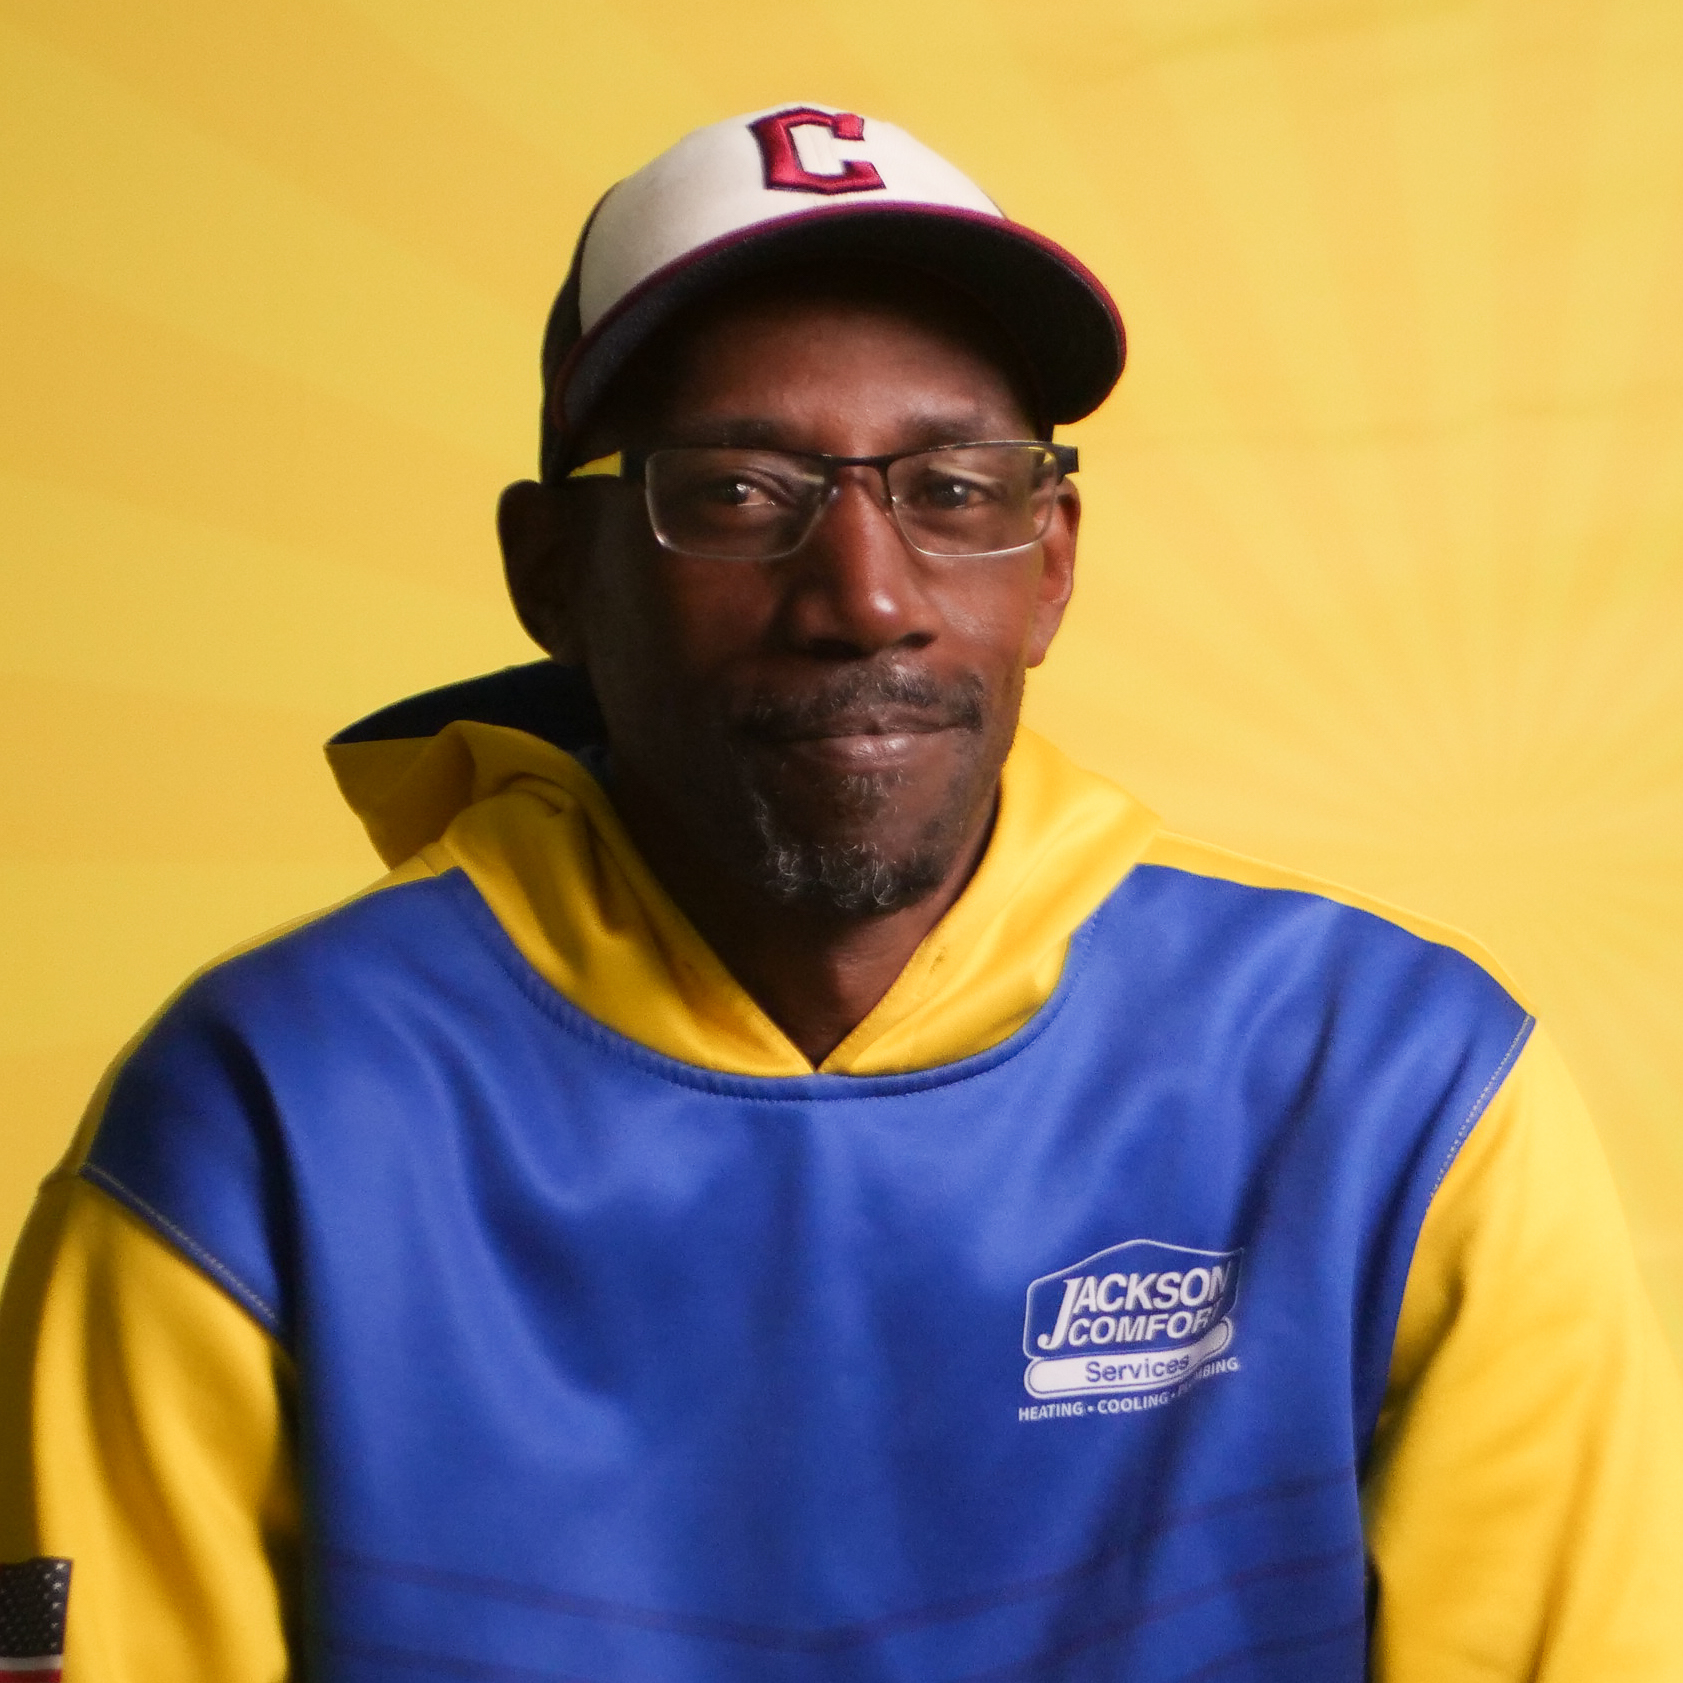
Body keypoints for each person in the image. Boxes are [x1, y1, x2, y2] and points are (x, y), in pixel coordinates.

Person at [2, 103, 1680, 1683]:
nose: (866, 597)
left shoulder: (1397, 1092)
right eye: (739, 493)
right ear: (549, 572)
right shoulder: (258, 1126)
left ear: (1054, 566)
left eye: (954, 490)